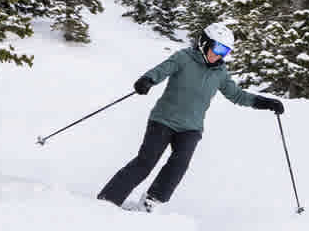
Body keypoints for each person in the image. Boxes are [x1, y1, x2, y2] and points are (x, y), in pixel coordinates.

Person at [98, 21, 284, 211]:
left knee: (179, 165)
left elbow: (237, 95)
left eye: (225, 51)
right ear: (205, 42)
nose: (220, 54)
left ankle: (151, 201)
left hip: (191, 128)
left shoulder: (220, 73)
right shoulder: (184, 58)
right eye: (218, 48)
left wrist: (265, 103)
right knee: (146, 162)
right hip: (163, 120)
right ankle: (109, 199)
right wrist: (147, 80)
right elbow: (162, 69)